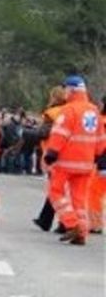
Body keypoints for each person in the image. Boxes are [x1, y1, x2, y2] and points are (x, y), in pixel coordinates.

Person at [43, 76, 105, 245]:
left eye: (65, 89)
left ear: (71, 90)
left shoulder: (68, 110)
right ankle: (82, 233)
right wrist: (98, 158)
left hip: (66, 162)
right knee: (79, 198)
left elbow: (59, 133)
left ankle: (71, 223)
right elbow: (101, 140)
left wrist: (51, 153)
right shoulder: (94, 111)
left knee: (55, 192)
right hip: (86, 164)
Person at [33, 85, 68, 232]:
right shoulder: (68, 111)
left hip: (52, 153)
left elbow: (43, 133)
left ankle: (59, 221)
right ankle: (48, 219)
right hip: (68, 153)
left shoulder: (51, 113)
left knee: (55, 189)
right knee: (63, 189)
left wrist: (32, 133)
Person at [88, 96, 106, 235]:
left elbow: (101, 145)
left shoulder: (102, 121)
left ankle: (96, 224)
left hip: (102, 163)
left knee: (94, 193)